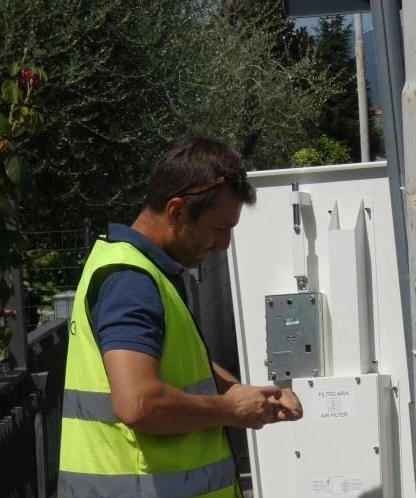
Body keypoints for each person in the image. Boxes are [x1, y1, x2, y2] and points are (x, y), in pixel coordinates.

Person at [58, 137, 302, 498]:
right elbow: (139, 403)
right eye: (220, 228)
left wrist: (241, 393)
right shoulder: (131, 281)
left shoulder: (140, 269)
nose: (223, 245)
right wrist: (229, 409)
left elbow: (177, 364)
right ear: (176, 211)